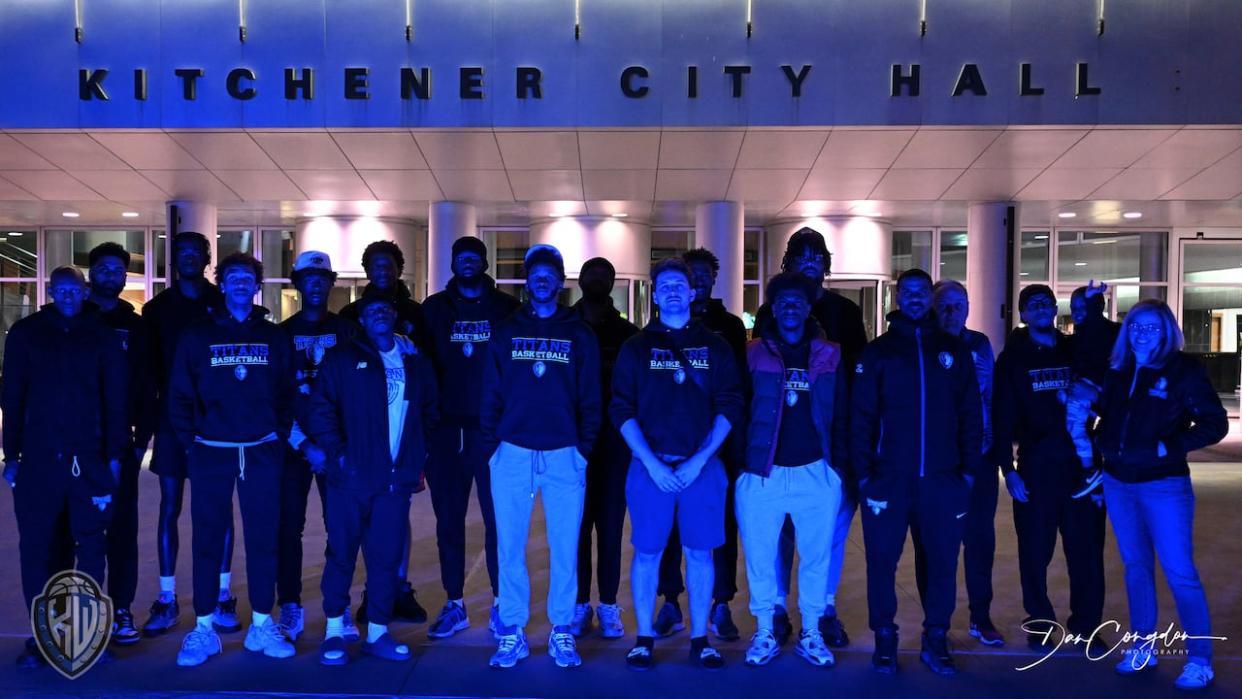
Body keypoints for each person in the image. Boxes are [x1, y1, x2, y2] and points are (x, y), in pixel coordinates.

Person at [1085, 299, 1227, 691]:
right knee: (1135, 567)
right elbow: (1106, 416)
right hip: (1118, 482)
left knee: (1180, 572)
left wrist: (1168, 446)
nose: (1142, 333)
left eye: (1150, 327)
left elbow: (1213, 423)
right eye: (1135, 326)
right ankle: (1142, 646)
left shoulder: (1184, 371)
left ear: (1166, 331)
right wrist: (1099, 436)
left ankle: (1200, 658)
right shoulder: (1118, 370)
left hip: (1164, 485)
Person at [612, 258, 743, 671]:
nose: (671, 290)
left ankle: (700, 639)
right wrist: (651, 463)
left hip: (701, 469)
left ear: (692, 293)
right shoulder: (635, 347)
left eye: (678, 285)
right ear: (654, 294)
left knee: (700, 554)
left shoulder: (716, 346)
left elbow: (730, 405)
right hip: (650, 467)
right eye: (663, 285)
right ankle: (644, 638)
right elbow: (621, 408)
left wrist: (700, 460)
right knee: (647, 552)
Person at [851, 268, 983, 676]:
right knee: (881, 562)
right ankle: (885, 638)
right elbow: (860, 419)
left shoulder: (954, 350)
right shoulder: (878, 353)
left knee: (942, 563)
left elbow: (970, 415)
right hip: (887, 481)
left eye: (921, 292)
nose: (913, 298)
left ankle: (936, 636)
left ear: (930, 297)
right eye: (906, 292)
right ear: (896, 297)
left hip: (944, 483)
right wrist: (864, 477)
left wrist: (968, 474)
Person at [170, 253, 297, 667]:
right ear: (221, 284)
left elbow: (286, 394)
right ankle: (204, 628)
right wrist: (192, 442)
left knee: (264, 538)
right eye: (233, 277)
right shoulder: (196, 335)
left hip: (261, 451)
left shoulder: (274, 336)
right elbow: (180, 394)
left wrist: (276, 436)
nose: (240, 283)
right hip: (212, 450)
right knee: (207, 539)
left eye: (248, 277)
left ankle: (262, 622)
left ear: (257, 285)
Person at [481, 244, 601, 669]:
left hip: (565, 454)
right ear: (527, 281)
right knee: (510, 545)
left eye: (550, 273)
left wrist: (582, 449)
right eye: (536, 273)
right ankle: (512, 629)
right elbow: (490, 392)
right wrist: (493, 446)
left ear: (560, 281)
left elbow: (591, 397)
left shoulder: (580, 333)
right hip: (512, 451)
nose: (542, 279)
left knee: (565, 547)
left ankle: (562, 630)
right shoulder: (506, 331)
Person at [3, 266, 128, 669]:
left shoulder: (102, 335)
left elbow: (116, 400)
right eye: (62, 290)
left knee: (91, 548)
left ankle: (87, 637)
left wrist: (113, 455)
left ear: (84, 290)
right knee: (39, 550)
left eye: (75, 290)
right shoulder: (27, 334)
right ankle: (45, 639)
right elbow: (13, 396)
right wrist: (11, 457)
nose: (69, 296)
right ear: (51, 291)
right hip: (38, 462)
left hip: (89, 462)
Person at [304, 293, 439, 666]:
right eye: (371, 311)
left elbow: (430, 409)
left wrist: (417, 452)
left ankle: (378, 631)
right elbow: (321, 409)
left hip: (395, 480)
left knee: (385, 556)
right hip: (350, 478)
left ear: (394, 315)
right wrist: (339, 453)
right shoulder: (343, 357)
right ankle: (334, 631)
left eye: (385, 308)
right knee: (341, 553)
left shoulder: (413, 359)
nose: (380, 313)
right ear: (361, 321)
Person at [756, 227, 867, 646]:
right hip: (782, 441)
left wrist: (850, 447)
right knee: (782, 531)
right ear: (788, 264)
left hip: (831, 441)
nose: (808, 263)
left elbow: (858, 380)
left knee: (832, 532)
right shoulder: (773, 311)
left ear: (826, 264)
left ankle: (824, 610)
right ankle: (782, 608)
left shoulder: (845, 312)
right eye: (800, 256)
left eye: (815, 257)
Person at [737, 272, 847, 668]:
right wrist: (742, 468)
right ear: (772, 307)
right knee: (761, 557)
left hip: (816, 471)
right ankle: (765, 630)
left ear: (807, 307)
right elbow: (738, 409)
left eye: (796, 301)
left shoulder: (830, 354)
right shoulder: (753, 352)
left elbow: (843, 414)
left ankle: (812, 632)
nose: (790, 307)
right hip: (762, 473)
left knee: (816, 557)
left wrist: (839, 470)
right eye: (782, 301)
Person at [992, 284, 1106, 653]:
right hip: (1036, 469)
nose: (1041, 307)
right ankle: (1040, 624)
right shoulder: (1012, 359)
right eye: (1032, 304)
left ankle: (1087, 627)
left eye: (1046, 302)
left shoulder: (1076, 349)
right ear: (1023, 315)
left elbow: (1104, 389)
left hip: (1080, 469)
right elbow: (1001, 418)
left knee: (1086, 553)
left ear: (1055, 311)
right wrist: (1008, 470)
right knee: (1034, 553)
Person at [140, 231, 238, 638]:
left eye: (196, 252)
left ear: (207, 257)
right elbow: (146, 373)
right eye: (181, 252)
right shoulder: (156, 309)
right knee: (169, 508)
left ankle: (223, 595)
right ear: (172, 258)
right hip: (170, 422)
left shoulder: (223, 302)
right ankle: (167, 598)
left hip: (218, 422)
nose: (188, 257)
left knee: (218, 508)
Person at [421, 236, 519, 639]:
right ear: (452, 262)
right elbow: (421, 370)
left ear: (484, 262)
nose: (467, 262)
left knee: (501, 522)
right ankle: (455, 603)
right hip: (446, 431)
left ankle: (501, 602)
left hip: (492, 431)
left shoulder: (508, 310)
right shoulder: (433, 310)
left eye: (473, 257)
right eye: (459, 256)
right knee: (449, 521)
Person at [652, 248, 748, 641]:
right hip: (668, 445)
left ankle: (720, 605)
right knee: (669, 528)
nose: (700, 280)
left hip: (716, 448)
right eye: (693, 274)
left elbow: (737, 389)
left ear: (712, 279)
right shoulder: (658, 327)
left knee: (721, 529)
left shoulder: (730, 328)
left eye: (705, 274)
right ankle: (671, 602)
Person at [339, 239, 429, 624]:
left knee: (397, 512)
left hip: (401, 434)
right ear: (366, 270)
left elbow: (423, 372)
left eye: (389, 265)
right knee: (359, 518)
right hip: (362, 434)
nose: (383, 272)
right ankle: (371, 591)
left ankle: (399, 587)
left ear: (398, 268)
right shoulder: (349, 314)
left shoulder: (415, 314)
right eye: (375, 265)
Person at [913, 280, 1004, 646]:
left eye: (959, 305)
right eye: (944, 306)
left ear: (968, 307)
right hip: (937, 461)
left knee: (980, 540)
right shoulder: (926, 344)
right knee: (933, 545)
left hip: (978, 457)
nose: (952, 313)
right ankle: (935, 622)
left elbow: (991, 397)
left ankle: (980, 617)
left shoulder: (979, 344)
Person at [275, 252, 359, 643]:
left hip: (336, 447)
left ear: (331, 282)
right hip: (295, 447)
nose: (316, 283)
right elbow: (276, 398)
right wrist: (305, 443)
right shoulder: (281, 334)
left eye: (323, 277)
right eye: (309, 277)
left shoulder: (347, 331)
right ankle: (290, 606)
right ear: (298, 282)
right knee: (288, 529)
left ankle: (337, 608)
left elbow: (356, 392)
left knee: (340, 529)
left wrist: (332, 446)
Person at [85, 242, 155, 647]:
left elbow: (147, 386)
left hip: (121, 445)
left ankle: (122, 607)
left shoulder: (138, 326)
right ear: (91, 273)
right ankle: (85, 610)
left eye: (117, 270)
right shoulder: (74, 318)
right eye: (103, 268)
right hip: (77, 444)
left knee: (123, 529)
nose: (111, 275)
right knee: (81, 529)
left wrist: (139, 439)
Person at [570, 257, 638, 639]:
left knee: (610, 527)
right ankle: (580, 604)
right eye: (590, 274)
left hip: (614, 445)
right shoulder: (564, 327)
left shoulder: (628, 334)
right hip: (573, 443)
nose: (596, 280)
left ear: (612, 283)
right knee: (576, 529)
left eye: (604, 275)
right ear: (580, 281)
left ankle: (609, 604)